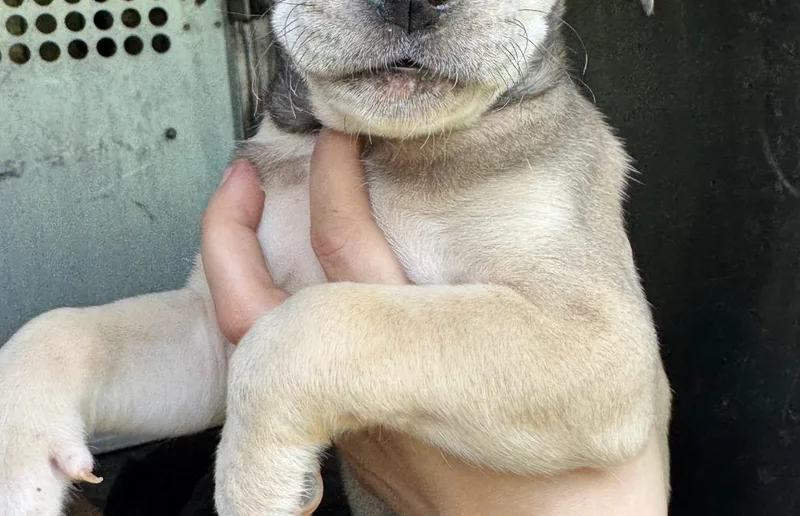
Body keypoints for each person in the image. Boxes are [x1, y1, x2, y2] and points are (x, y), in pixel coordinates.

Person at [201, 130, 667, 515]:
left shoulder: (539, 144)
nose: (413, 11)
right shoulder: (299, 140)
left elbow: (601, 383)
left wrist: (302, 352)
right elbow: (211, 347)